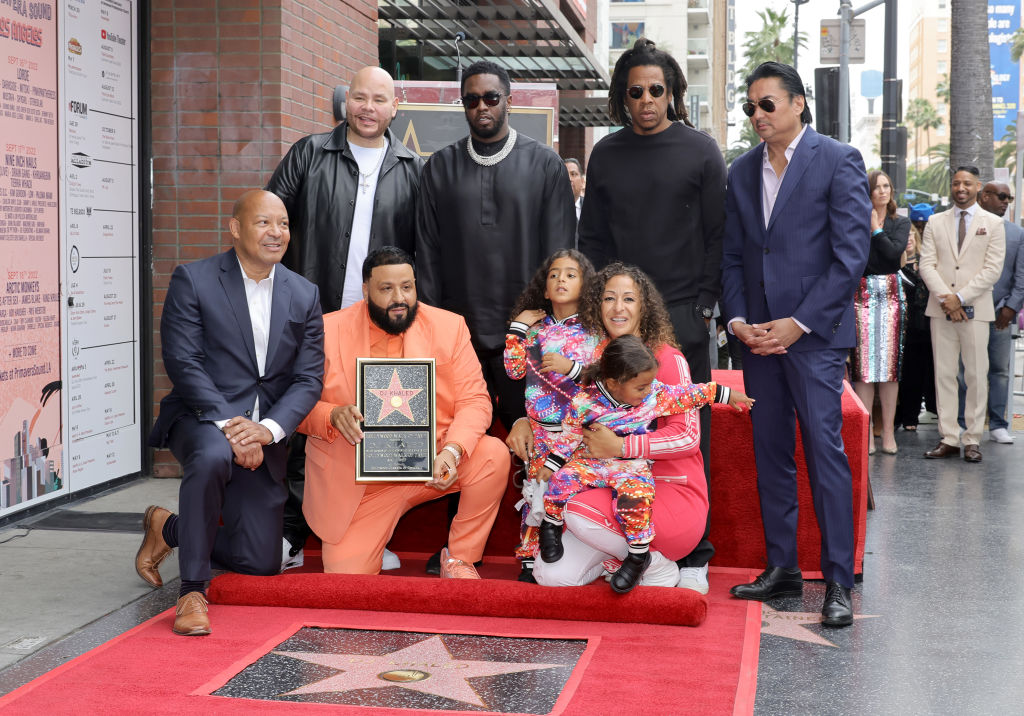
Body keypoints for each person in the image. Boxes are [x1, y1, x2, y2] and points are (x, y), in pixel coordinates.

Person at [719, 62, 869, 627]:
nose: (757, 115)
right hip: (756, 339)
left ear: (799, 103)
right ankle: (781, 567)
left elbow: (849, 256)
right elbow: (734, 256)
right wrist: (738, 322)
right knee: (770, 454)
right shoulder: (740, 172)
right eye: (750, 107)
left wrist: (798, 323)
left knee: (825, 452)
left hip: (814, 339)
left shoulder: (837, 159)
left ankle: (836, 581)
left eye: (767, 105)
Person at [135, 190, 325, 636]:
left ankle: (171, 528)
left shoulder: (304, 293)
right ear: (235, 228)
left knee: (259, 563)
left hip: (265, 432)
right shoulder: (195, 279)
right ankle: (192, 591)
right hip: (201, 417)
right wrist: (231, 429)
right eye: (263, 223)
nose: (276, 232)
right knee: (212, 456)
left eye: (283, 224)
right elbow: (183, 362)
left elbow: (309, 379)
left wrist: (268, 430)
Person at [576, 38, 726, 591]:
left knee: (688, 431)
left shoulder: (702, 151)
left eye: (656, 90)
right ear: (622, 96)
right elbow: (590, 237)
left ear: (673, 93)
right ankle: (623, 543)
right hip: (617, 317)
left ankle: (694, 552)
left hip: (684, 314)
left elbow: (719, 236)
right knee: (613, 423)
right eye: (635, 91)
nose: (646, 99)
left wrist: (708, 305)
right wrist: (597, 312)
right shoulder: (607, 154)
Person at [266, 66, 424, 564]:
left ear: (395, 107)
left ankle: (375, 532)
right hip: (313, 313)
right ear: (345, 102)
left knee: (383, 420)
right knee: (302, 417)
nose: (368, 108)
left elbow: (425, 247)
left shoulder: (412, 169)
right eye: (359, 97)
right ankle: (290, 534)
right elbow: (272, 221)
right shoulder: (310, 154)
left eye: (380, 99)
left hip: (380, 320)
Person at [297, 247, 510, 575]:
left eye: (407, 287)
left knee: (493, 455)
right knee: (346, 585)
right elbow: (295, 405)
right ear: (366, 290)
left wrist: (452, 452)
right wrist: (330, 415)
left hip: (431, 466)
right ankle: (372, 543)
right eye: (386, 289)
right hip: (358, 484)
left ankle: (459, 559)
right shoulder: (327, 330)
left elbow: (475, 401)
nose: (399, 298)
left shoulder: (448, 327)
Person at [530, 263, 715, 592]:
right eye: (608, 298)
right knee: (551, 575)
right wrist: (522, 422)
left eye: (628, 299)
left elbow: (689, 437)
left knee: (573, 510)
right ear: (596, 306)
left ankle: (651, 563)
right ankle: (618, 556)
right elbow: (567, 418)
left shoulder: (666, 358)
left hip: (665, 491)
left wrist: (622, 448)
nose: (618, 308)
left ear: (644, 306)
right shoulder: (593, 361)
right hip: (603, 486)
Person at [416, 60, 576, 432]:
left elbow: (561, 257)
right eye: (471, 100)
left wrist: (551, 330)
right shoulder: (438, 168)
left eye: (490, 97)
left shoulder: (546, 165)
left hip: (529, 335)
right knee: (465, 444)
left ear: (509, 100)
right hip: (460, 339)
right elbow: (427, 255)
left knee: (537, 444)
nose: (481, 107)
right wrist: (434, 332)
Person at [536, 335, 752, 594]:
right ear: (614, 383)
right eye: (641, 387)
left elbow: (688, 394)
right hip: (594, 464)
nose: (649, 390)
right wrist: (552, 464)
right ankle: (551, 525)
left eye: (650, 384)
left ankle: (638, 557)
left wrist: (724, 394)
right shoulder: (585, 401)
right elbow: (569, 436)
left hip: (631, 466)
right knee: (561, 480)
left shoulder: (654, 395)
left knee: (636, 501)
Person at [503, 249, 601, 581]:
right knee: (535, 491)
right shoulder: (533, 330)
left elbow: (605, 380)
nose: (561, 280)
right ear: (544, 289)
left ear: (586, 287)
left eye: (572, 275)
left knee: (572, 492)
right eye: (555, 274)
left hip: (579, 432)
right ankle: (530, 561)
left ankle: (582, 553)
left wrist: (571, 369)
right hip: (541, 431)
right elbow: (514, 370)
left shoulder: (595, 332)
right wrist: (517, 326)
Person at [919, 166, 1005, 463]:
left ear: (978, 186)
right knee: (943, 374)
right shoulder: (934, 221)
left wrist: (960, 298)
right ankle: (949, 437)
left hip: (976, 310)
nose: (961, 188)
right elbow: (926, 265)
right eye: (956, 183)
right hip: (941, 310)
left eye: (967, 183)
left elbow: (992, 270)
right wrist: (948, 300)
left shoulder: (993, 224)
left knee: (976, 375)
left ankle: (972, 439)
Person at [958, 182, 1024, 444]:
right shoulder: (967, 227)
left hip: (1000, 313)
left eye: (1009, 197)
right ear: (984, 197)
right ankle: (963, 424)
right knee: (965, 371)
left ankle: (998, 423)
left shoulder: (1016, 234)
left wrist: (1010, 308)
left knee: (999, 370)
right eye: (1001, 196)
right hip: (969, 311)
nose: (1006, 201)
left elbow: (1021, 276)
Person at [850, 170, 911, 455]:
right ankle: (865, 432)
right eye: (876, 187)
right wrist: (868, 226)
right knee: (863, 367)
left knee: (889, 367)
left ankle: (887, 433)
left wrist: (876, 229)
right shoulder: (852, 222)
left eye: (887, 186)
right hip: (860, 294)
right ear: (868, 192)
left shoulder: (900, 223)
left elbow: (892, 256)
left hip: (891, 294)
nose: (882, 191)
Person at [896, 204, 938, 431]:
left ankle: (934, 411)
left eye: (916, 232)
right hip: (905, 328)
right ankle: (908, 417)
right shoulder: (895, 265)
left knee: (931, 372)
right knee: (909, 374)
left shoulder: (929, 261)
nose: (913, 236)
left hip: (930, 325)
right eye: (913, 229)